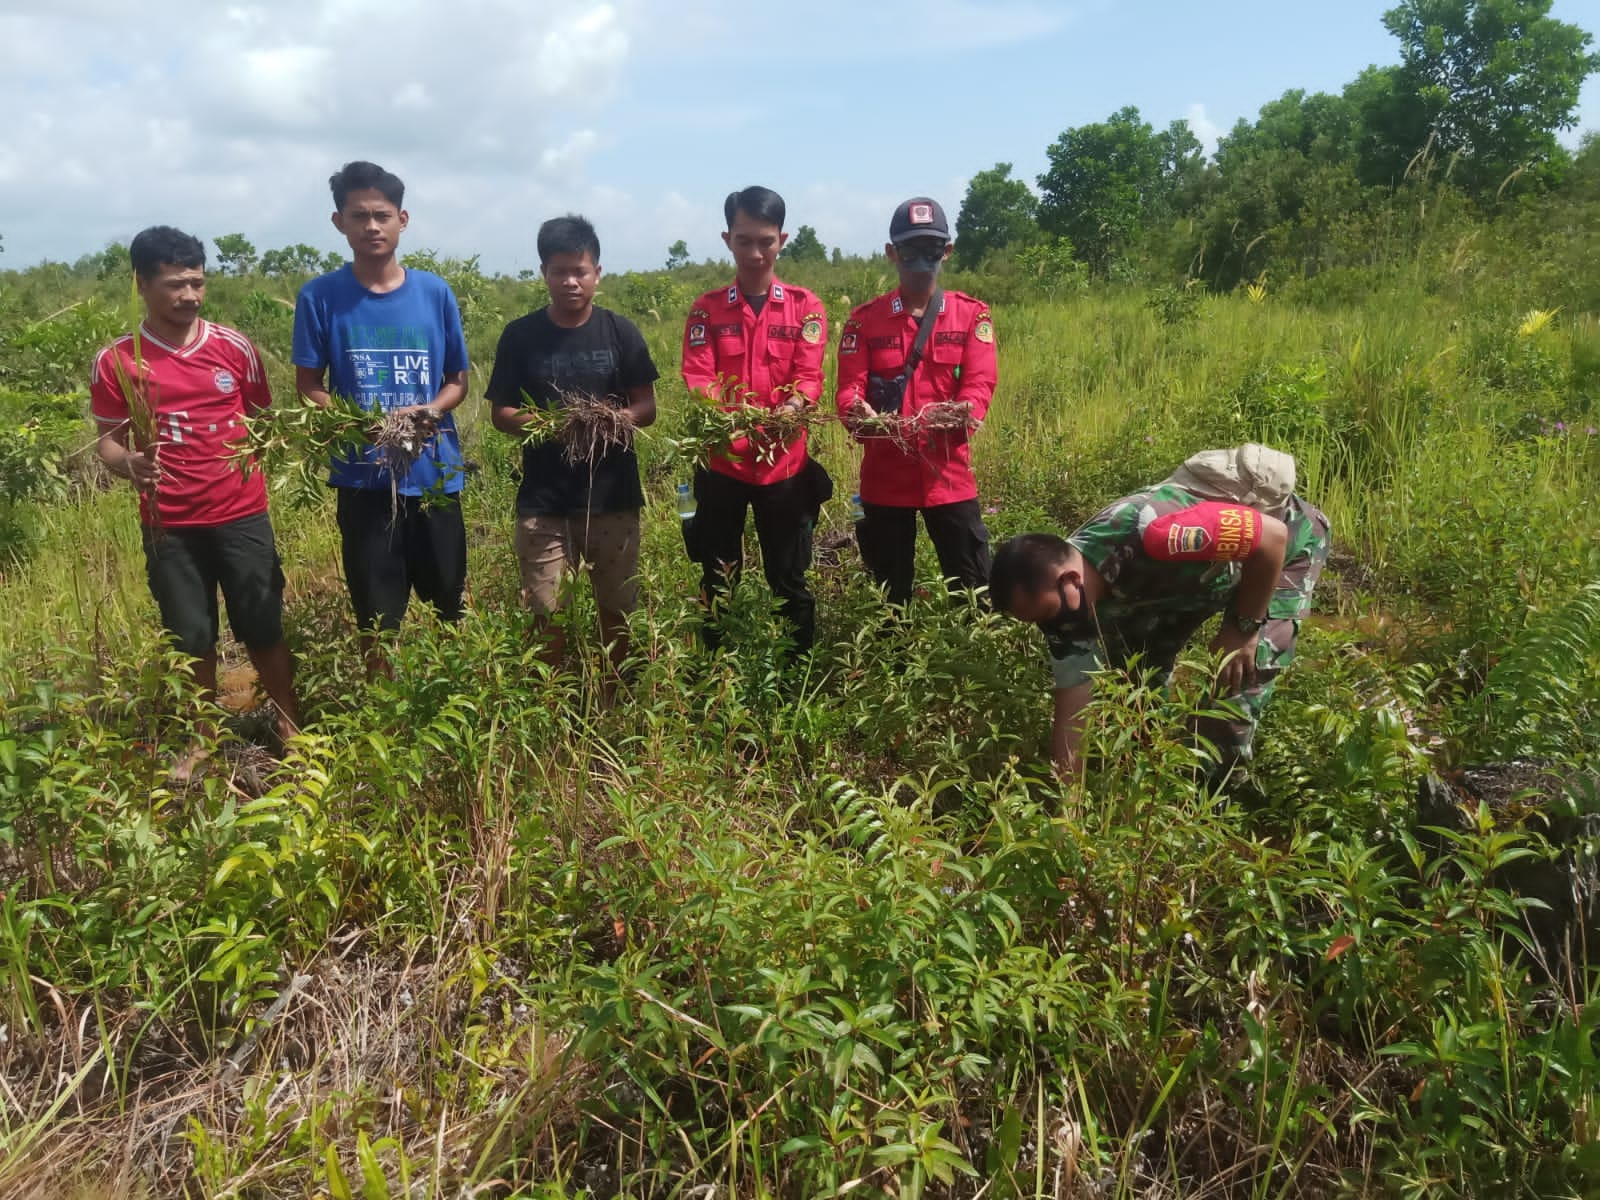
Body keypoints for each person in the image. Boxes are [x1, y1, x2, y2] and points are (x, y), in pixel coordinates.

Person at [91, 225, 300, 778]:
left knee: (262, 622)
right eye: (174, 285)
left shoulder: (234, 348)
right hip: (169, 523)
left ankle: (289, 726)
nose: (189, 296)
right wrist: (127, 464)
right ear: (141, 284)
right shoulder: (118, 360)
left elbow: (262, 419)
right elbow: (108, 440)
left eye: (197, 283)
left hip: (241, 512)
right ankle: (203, 738)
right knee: (191, 635)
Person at [987, 446, 1331, 782]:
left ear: (1071, 579)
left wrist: (1242, 628)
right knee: (1134, 691)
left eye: (1049, 614)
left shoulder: (1154, 531)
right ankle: (1158, 770)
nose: (1053, 627)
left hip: (1280, 552)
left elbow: (1272, 539)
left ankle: (1211, 795)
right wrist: (1068, 810)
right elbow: (1073, 704)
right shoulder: (1065, 605)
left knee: (1234, 684)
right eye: (1038, 621)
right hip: (1194, 583)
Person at [292, 160, 471, 678]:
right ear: (339, 223)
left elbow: (457, 380)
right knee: (376, 615)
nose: (372, 226)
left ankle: (450, 702)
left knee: (448, 606)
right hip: (363, 477)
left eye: (382, 215)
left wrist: (429, 411)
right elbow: (309, 387)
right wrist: (358, 423)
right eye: (359, 215)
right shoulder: (320, 297)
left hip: (434, 474)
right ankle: (383, 715)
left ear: (403, 219)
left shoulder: (434, 293)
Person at [486, 214, 659, 680]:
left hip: (612, 497)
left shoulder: (620, 333)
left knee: (619, 608)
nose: (570, 281)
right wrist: (550, 425)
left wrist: (611, 421)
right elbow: (500, 412)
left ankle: (619, 698)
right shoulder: (520, 336)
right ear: (543, 272)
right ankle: (551, 700)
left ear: (597, 273)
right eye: (559, 271)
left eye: (580, 271)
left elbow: (647, 406)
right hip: (543, 501)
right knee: (545, 612)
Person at [680, 186, 828, 654]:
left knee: (788, 576)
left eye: (765, 240)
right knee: (718, 574)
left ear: (782, 238)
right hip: (722, 463)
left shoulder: (806, 307)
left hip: (784, 466)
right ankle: (715, 672)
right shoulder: (708, 308)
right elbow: (699, 376)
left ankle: (795, 673)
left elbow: (809, 375)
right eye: (744, 240)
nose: (755, 252)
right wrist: (731, 418)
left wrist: (794, 407)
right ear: (727, 239)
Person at [836, 196, 997, 606]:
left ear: (947, 250)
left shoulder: (970, 315)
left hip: (949, 477)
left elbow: (980, 383)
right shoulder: (864, 321)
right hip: (885, 481)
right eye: (910, 250)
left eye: (931, 250)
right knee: (890, 598)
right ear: (892, 253)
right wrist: (857, 410)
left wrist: (966, 411)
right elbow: (849, 387)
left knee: (974, 594)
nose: (921, 262)